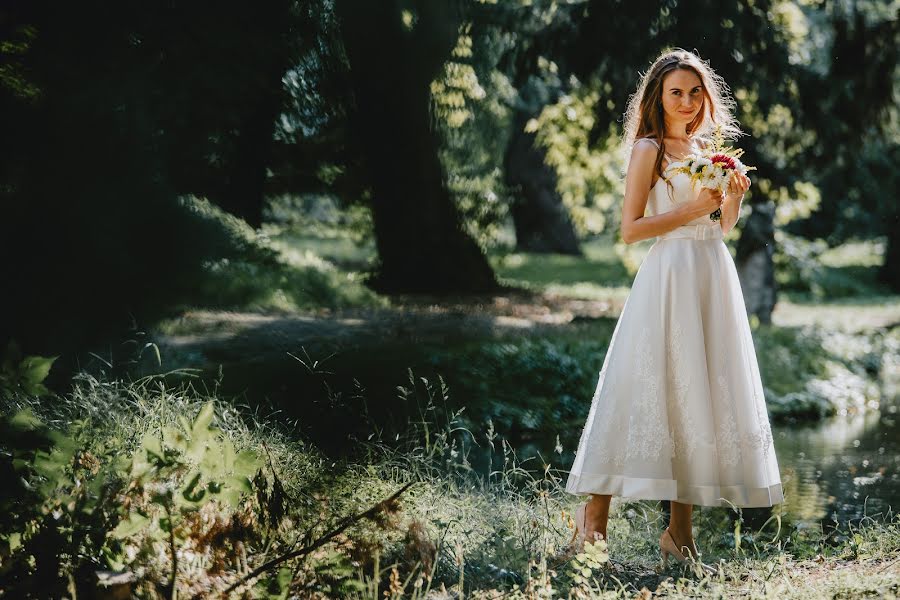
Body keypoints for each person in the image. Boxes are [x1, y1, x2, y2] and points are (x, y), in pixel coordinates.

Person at [565, 48, 784, 572]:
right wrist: (690, 207)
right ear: (658, 97)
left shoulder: (708, 148)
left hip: (711, 273)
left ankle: (679, 534)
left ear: (706, 97)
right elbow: (630, 229)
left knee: (696, 391)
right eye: (675, 92)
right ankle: (594, 521)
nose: (686, 102)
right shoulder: (649, 148)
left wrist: (732, 197)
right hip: (668, 278)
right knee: (641, 387)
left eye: (694, 92)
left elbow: (720, 227)